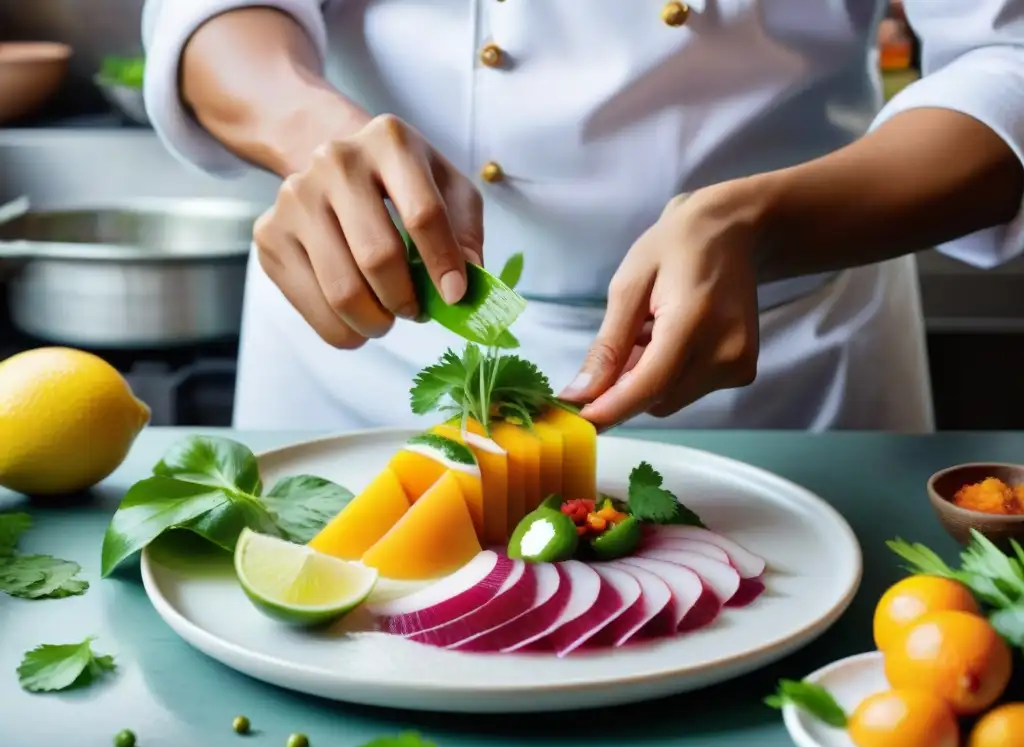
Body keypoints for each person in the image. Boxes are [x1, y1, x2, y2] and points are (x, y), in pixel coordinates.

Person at [141, 1, 1024, 433]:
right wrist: (311, 131)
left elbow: (1007, 56)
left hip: (777, 377)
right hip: (371, 363)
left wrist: (768, 223)